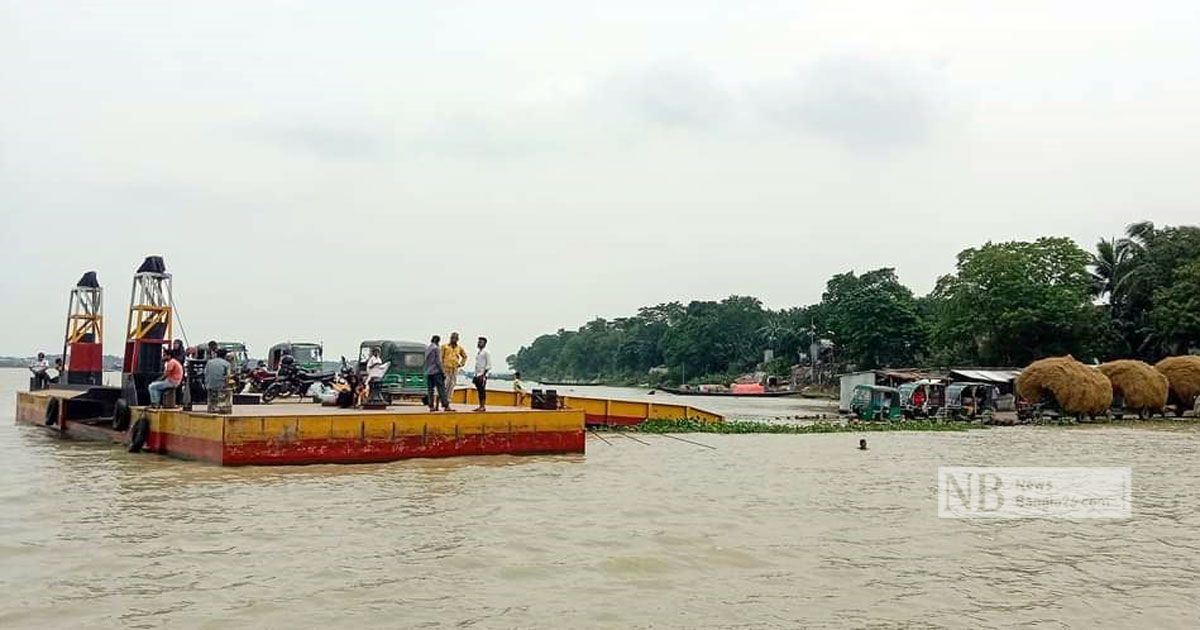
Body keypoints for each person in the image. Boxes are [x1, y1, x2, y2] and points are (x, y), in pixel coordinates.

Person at [424, 335, 449, 412]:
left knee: (430, 390)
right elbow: (438, 362)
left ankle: (431, 406)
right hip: (436, 372)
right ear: (438, 341)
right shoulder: (436, 348)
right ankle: (446, 405)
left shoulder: (428, 348)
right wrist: (443, 372)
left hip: (429, 372)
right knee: (441, 389)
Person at [204, 348, 233, 413]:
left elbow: (205, 373)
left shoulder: (209, 362)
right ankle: (224, 408)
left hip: (209, 385)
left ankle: (211, 408)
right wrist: (226, 385)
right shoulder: (227, 364)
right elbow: (228, 376)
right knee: (228, 390)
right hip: (220, 386)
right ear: (225, 355)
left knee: (212, 396)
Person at [472, 336, 492, 412]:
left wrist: (483, 375)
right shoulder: (479, 353)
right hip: (477, 374)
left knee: (482, 391)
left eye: (481, 342)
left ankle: (483, 406)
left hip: (482, 375)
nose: (479, 343)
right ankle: (480, 406)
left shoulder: (486, 352)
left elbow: (488, 365)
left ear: (484, 343)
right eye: (478, 342)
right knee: (479, 390)